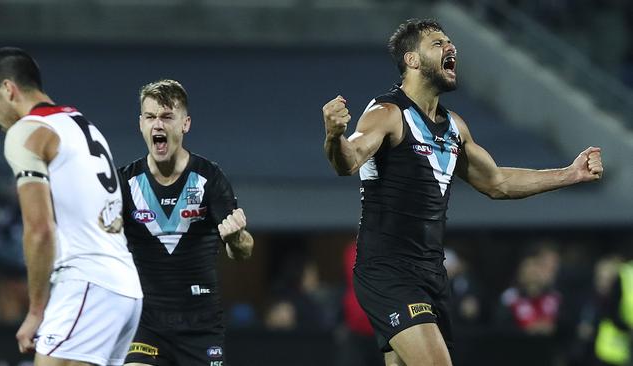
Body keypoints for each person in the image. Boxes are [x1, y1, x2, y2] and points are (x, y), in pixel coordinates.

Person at [321, 19, 603, 366]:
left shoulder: (455, 127)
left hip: (430, 275)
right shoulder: (387, 113)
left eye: (451, 42)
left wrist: (569, 173)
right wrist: (334, 136)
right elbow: (347, 162)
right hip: (388, 272)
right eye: (438, 44)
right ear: (411, 60)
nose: (450, 48)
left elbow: (497, 183)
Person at [0, 47, 143, 365]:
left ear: (8, 89)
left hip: (86, 282)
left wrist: (36, 311)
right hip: (124, 288)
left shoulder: (25, 133)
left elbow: (39, 229)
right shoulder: (82, 125)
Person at [120, 79, 254, 366]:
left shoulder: (210, 178)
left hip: (200, 326)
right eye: (150, 116)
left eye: (167, 117)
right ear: (140, 124)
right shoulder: (125, 182)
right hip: (146, 325)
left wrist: (235, 238)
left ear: (185, 124)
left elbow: (243, 252)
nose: (158, 125)